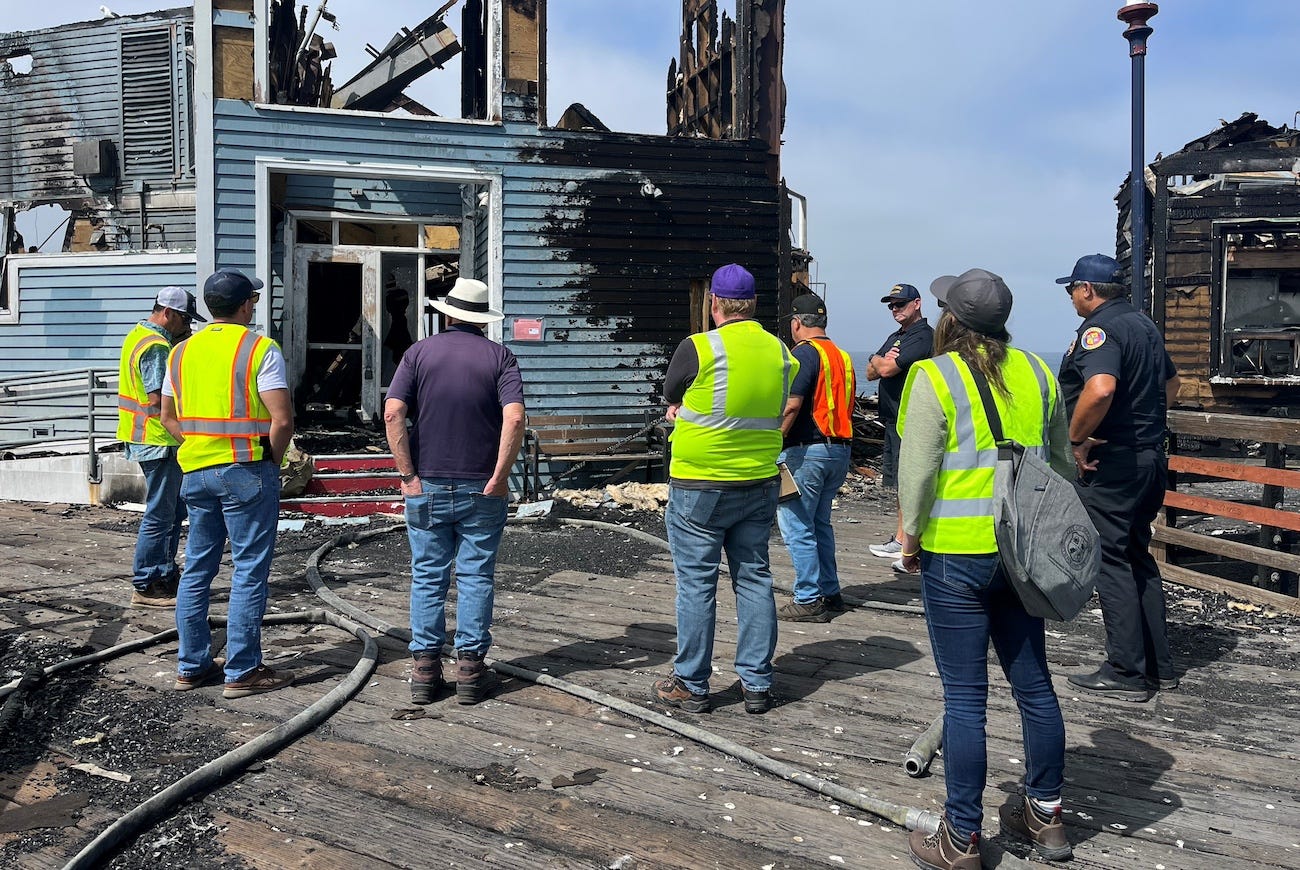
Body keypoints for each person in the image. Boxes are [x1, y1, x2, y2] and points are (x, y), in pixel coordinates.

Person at [897, 269, 1072, 869]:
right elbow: (1062, 469)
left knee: (966, 697)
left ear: (950, 318)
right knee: (1035, 686)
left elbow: (916, 473)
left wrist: (909, 536)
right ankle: (1045, 817)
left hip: (956, 554)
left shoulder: (933, 374)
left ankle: (963, 838)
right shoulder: (1040, 373)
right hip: (1024, 556)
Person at [652, 263, 797, 716]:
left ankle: (692, 684)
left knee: (696, 584)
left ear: (714, 304)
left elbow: (672, 392)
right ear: (752, 305)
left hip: (701, 482)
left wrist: (680, 412)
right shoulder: (780, 351)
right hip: (758, 481)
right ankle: (756, 683)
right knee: (754, 577)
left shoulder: (699, 347)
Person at [384, 277, 525, 706]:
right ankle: (469, 670)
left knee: (428, 575)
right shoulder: (500, 357)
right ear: (482, 319)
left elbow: (393, 414)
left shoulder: (418, 353)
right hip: (481, 484)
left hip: (426, 480)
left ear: (447, 313)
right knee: (475, 575)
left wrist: (408, 477)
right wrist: (500, 478)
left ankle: (425, 671)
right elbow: (515, 420)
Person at [161, 269, 296, 698]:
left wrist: (201, 448)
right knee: (249, 571)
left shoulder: (180, 352)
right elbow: (282, 419)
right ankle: (242, 671)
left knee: (198, 569)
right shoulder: (259, 348)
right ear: (245, 305)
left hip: (195, 472)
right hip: (246, 470)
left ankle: (192, 665)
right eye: (252, 300)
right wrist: (270, 463)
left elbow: (167, 416)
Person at [1056, 254, 1180, 702]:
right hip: (1149, 458)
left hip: (1112, 465)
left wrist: (1077, 438)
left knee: (1108, 558)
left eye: (1070, 288)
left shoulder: (1100, 330)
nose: (1069, 296)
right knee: (1137, 554)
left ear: (1087, 289)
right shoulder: (1143, 325)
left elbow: (1101, 387)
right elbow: (1172, 385)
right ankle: (1158, 667)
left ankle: (1126, 670)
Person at [116, 287, 204, 608]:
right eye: (184, 319)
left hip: (148, 439)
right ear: (167, 312)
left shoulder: (138, 335)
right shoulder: (155, 347)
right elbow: (156, 401)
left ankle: (164, 575)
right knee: (160, 513)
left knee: (172, 510)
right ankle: (148, 582)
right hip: (159, 440)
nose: (186, 327)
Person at [775, 293, 855, 623]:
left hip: (808, 452)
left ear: (796, 324)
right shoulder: (843, 356)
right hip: (839, 450)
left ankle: (808, 597)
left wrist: (772, 441)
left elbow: (792, 404)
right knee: (820, 522)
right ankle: (830, 591)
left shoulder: (804, 355)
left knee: (796, 524)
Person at [865, 283, 934, 569]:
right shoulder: (897, 336)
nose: (895, 310)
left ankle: (909, 542)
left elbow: (887, 369)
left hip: (912, 418)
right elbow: (872, 371)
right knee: (899, 482)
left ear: (917, 304)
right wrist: (879, 360)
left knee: (911, 482)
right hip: (893, 418)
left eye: (900, 304)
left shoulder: (923, 336)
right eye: (891, 306)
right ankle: (900, 537)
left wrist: (881, 361)